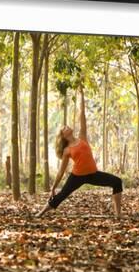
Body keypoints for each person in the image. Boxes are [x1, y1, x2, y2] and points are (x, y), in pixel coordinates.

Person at [36, 84, 123, 218]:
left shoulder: (82, 137)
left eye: (67, 126)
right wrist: (53, 187)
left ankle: (118, 214)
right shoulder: (67, 150)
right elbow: (61, 171)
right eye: (64, 127)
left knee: (117, 182)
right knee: (62, 195)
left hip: (93, 174)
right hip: (77, 176)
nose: (67, 127)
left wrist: (81, 94)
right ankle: (41, 212)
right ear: (64, 135)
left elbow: (82, 117)